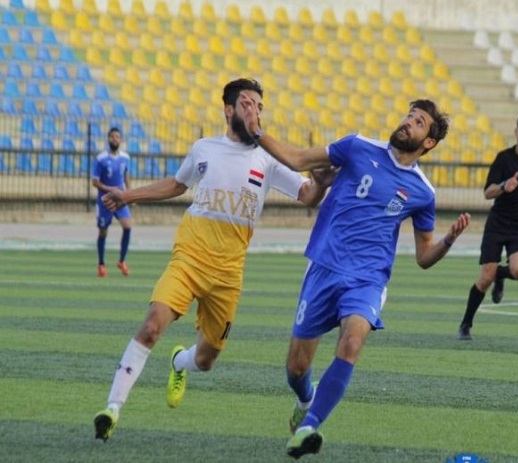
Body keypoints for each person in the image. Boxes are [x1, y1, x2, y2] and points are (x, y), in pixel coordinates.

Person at [92, 78, 334, 442]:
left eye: (259, 106)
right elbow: (176, 185)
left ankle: (179, 362)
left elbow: (307, 195)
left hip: (228, 272)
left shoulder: (268, 158)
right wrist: (129, 195)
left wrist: (321, 184)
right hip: (189, 257)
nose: (255, 111)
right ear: (229, 109)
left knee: (205, 360)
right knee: (153, 325)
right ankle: (112, 409)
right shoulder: (204, 148)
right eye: (248, 103)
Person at [238, 95, 471, 459]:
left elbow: (424, 256)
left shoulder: (423, 192)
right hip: (324, 267)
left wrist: (449, 241)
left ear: (429, 142)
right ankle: (306, 399)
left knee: (351, 343)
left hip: (368, 279)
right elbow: (298, 159)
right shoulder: (357, 146)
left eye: (418, 122)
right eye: (409, 115)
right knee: (296, 369)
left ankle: (309, 426)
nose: (408, 122)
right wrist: (256, 131)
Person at [458, 114, 518, 341]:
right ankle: (466, 324)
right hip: (497, 225)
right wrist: (504, 185)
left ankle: (500, 276)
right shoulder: (504, 159)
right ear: (516, 132)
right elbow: (487, 192)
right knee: (485, 279)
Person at [92, 127, 132, 277]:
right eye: (112, 136)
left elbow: (126, 176)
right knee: (103, 231)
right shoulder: (101, 158)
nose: (115, 139)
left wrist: (129, 194)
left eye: (117, 137)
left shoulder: (125, 158)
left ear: (121, 140)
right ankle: (101, 263)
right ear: (108, 139)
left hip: (120, 199)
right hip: (105, 201)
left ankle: (122, 261)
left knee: (127, 226)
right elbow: (95, 182)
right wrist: (110, 189)